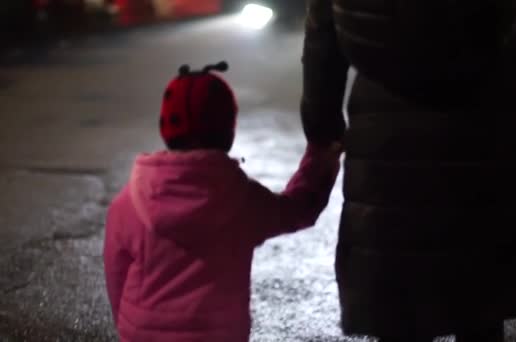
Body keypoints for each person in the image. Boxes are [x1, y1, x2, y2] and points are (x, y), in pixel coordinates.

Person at [300, 0, 516, 341]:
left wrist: (321, 127)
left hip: (388, 143)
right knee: (481, 303)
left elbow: (322, 33)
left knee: (399, 306)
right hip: (499, 133)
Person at [104, 62, 341, 342]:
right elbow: (299, 209)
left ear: (167, 129)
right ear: (227, 130)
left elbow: (116, 274)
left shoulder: (129, 201)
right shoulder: (242, 199)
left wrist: (127, 325)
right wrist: (321, 158)